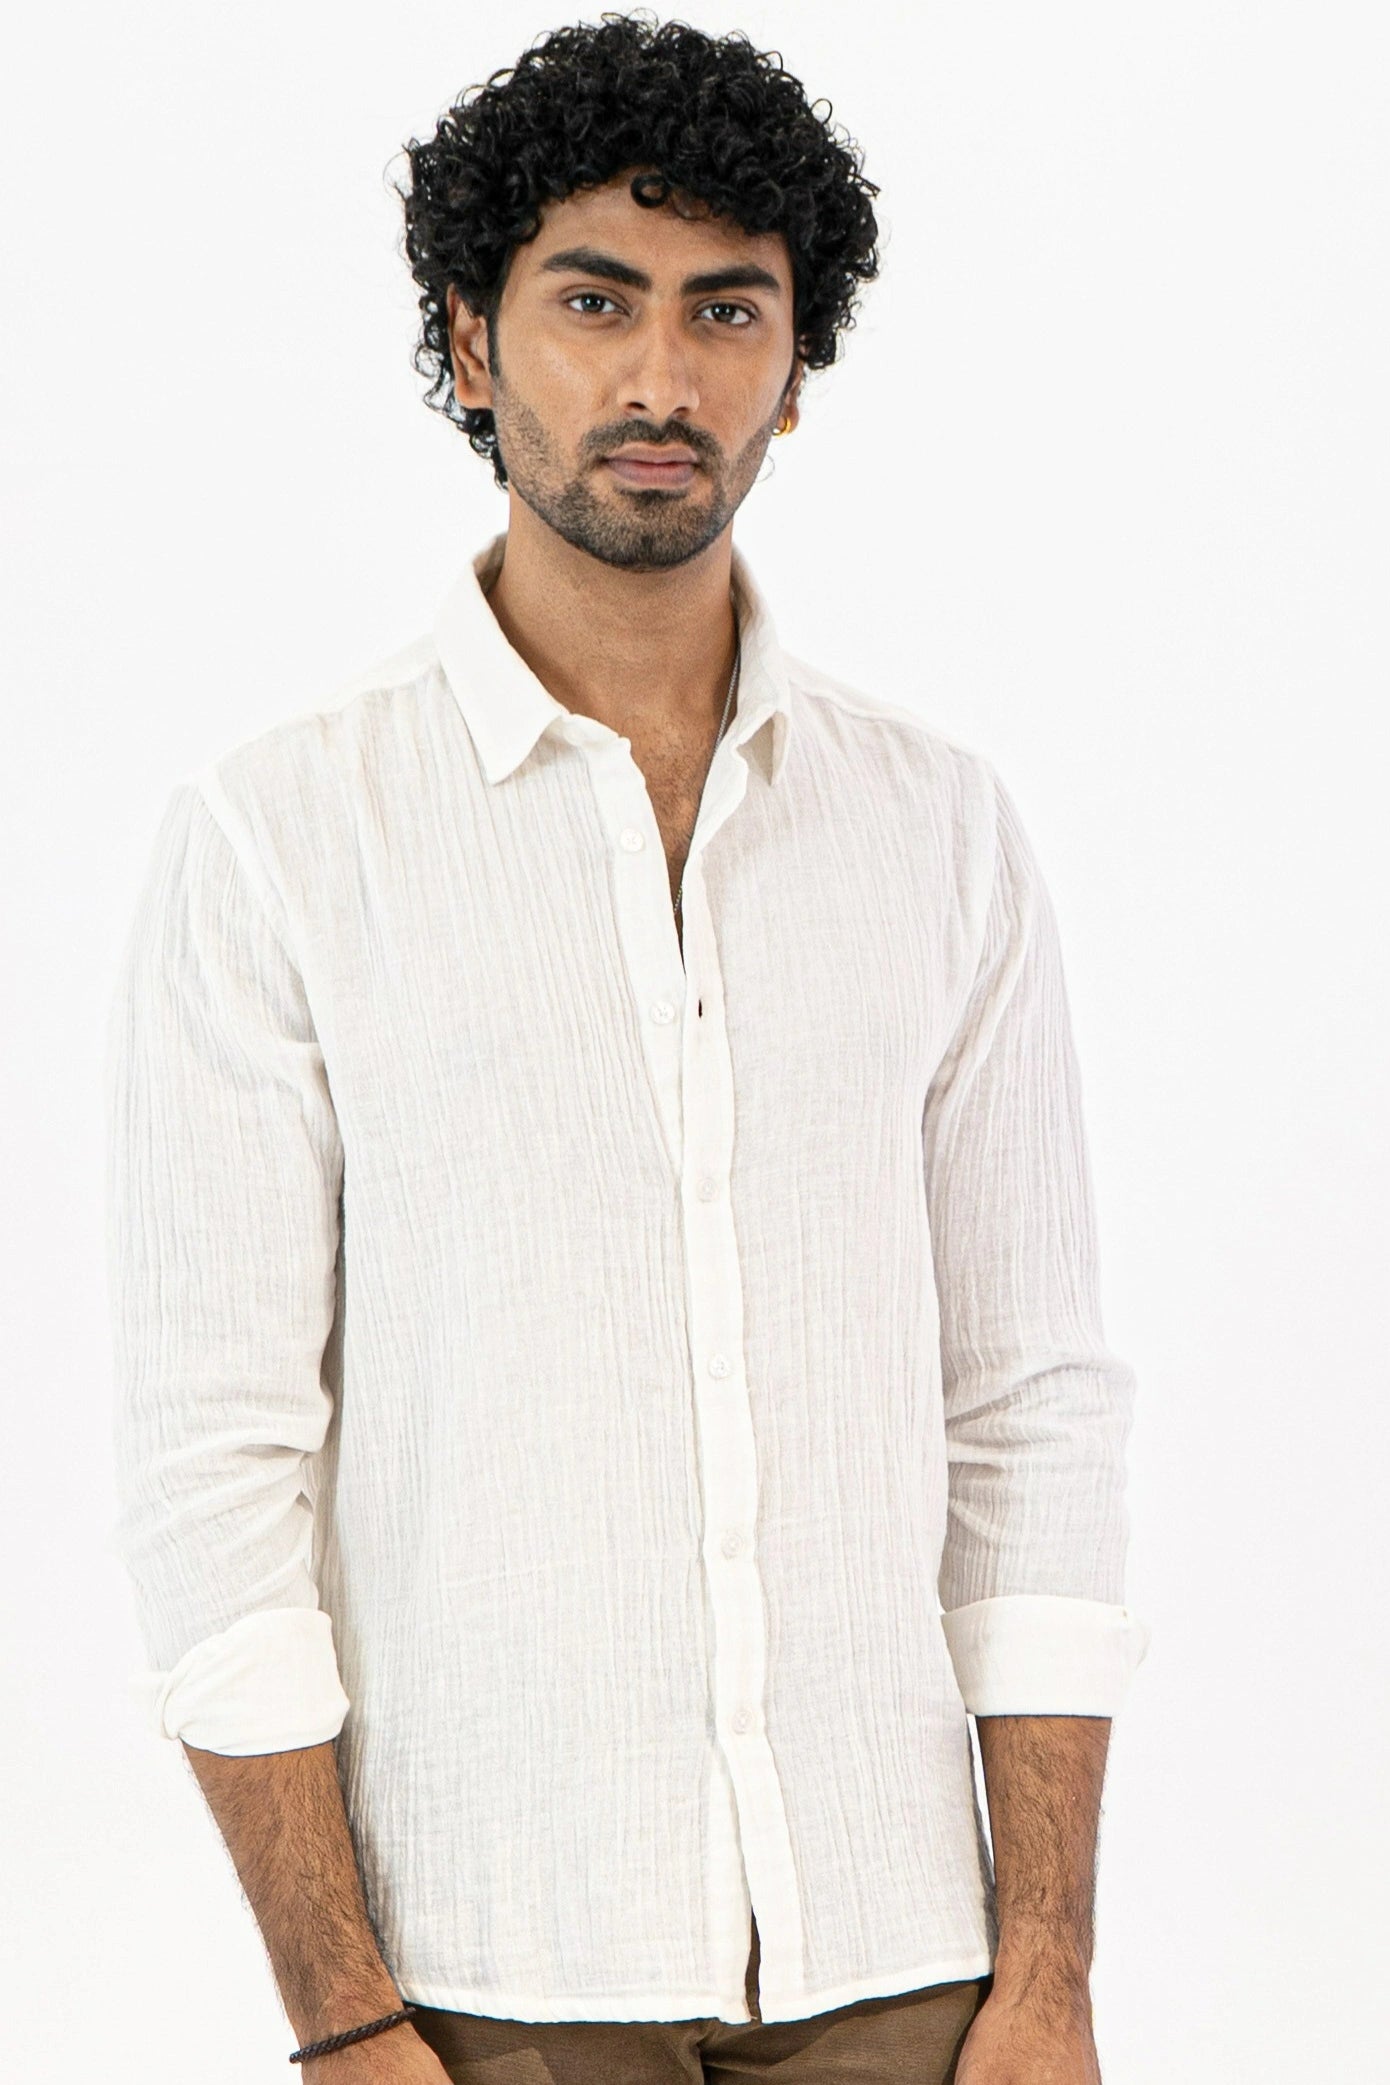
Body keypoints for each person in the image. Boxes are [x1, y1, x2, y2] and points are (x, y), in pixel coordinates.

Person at [104, 17, 1150, 2084]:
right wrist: (342, 2017)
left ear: (794, 361)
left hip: (904, 1962)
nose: (661, 379)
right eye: (594, 303)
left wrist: (1046, 1969)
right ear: (469, 342)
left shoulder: (935, 828)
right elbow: (213, 1462)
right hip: (488, 1971)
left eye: (723, 311)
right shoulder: (281, 836)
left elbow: (1029, 1410)